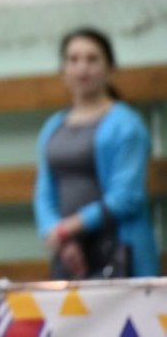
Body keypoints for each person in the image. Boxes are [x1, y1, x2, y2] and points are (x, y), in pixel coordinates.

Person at [33, 27, 159, 279]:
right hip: (69, 256)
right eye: (74, 59)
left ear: (110, 69)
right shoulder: (53, 127)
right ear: (63, 71)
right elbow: (44, 193)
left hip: (119, 255)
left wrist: (70, 227)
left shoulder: (126, 125)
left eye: (92, 59)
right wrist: (61, 238)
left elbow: (126, 197)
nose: (82, 68)